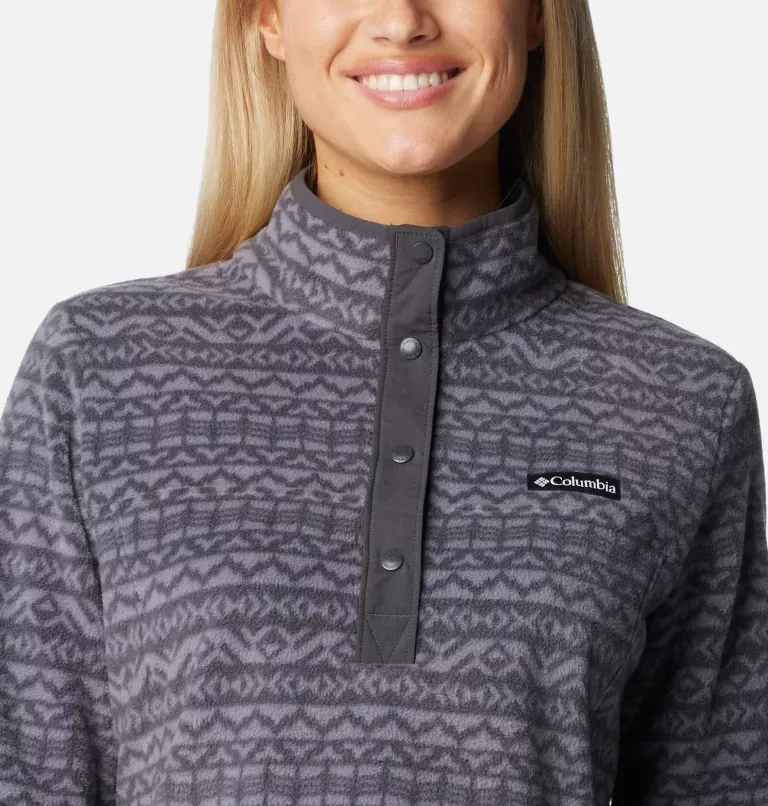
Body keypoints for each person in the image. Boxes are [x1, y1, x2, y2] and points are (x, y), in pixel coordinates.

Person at [1, 0, 766, 803]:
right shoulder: (98, 368)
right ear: (268, 20)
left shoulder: (684, 402)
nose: (402, 21)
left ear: (537, 15)